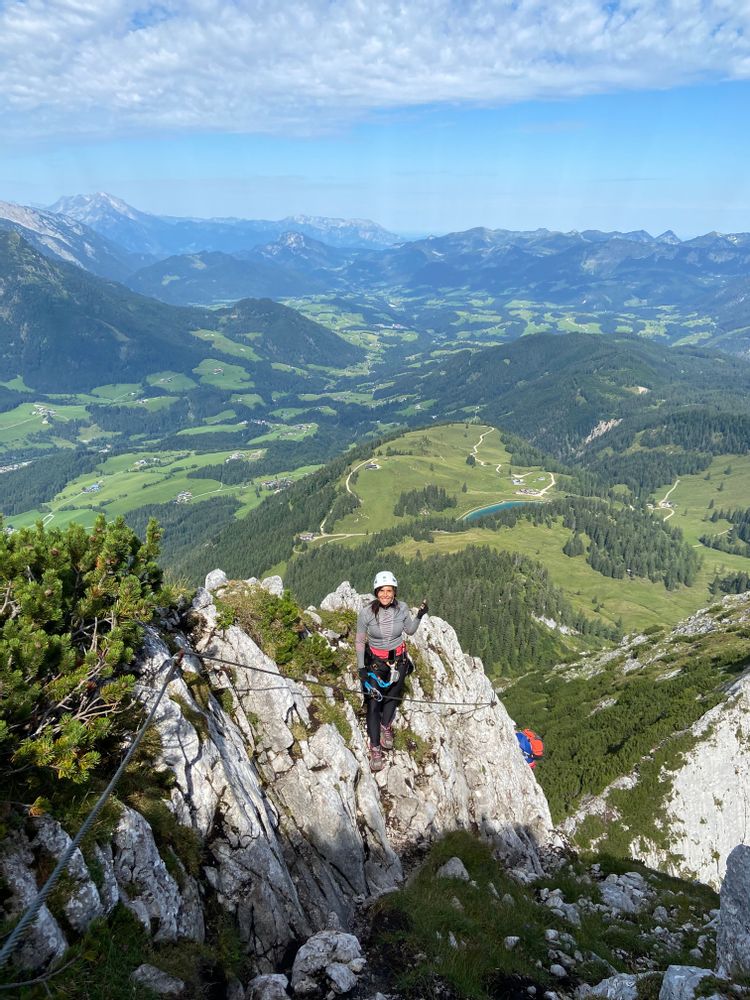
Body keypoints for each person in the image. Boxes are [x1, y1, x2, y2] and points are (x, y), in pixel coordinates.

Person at [356, 571, 428, 772]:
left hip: (399, 661)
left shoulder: (402, 608)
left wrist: (420, 616)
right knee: (373, 704)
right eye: (382, 591)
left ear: (394, 592)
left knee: (392, 697)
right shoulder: (366, 613)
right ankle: (375, 748)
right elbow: (360, 640)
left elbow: (410, 630)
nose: (385, 595)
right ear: (376, 592)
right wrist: (361, 667)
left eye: (389, 591)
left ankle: (385, 726)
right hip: (376, 664)